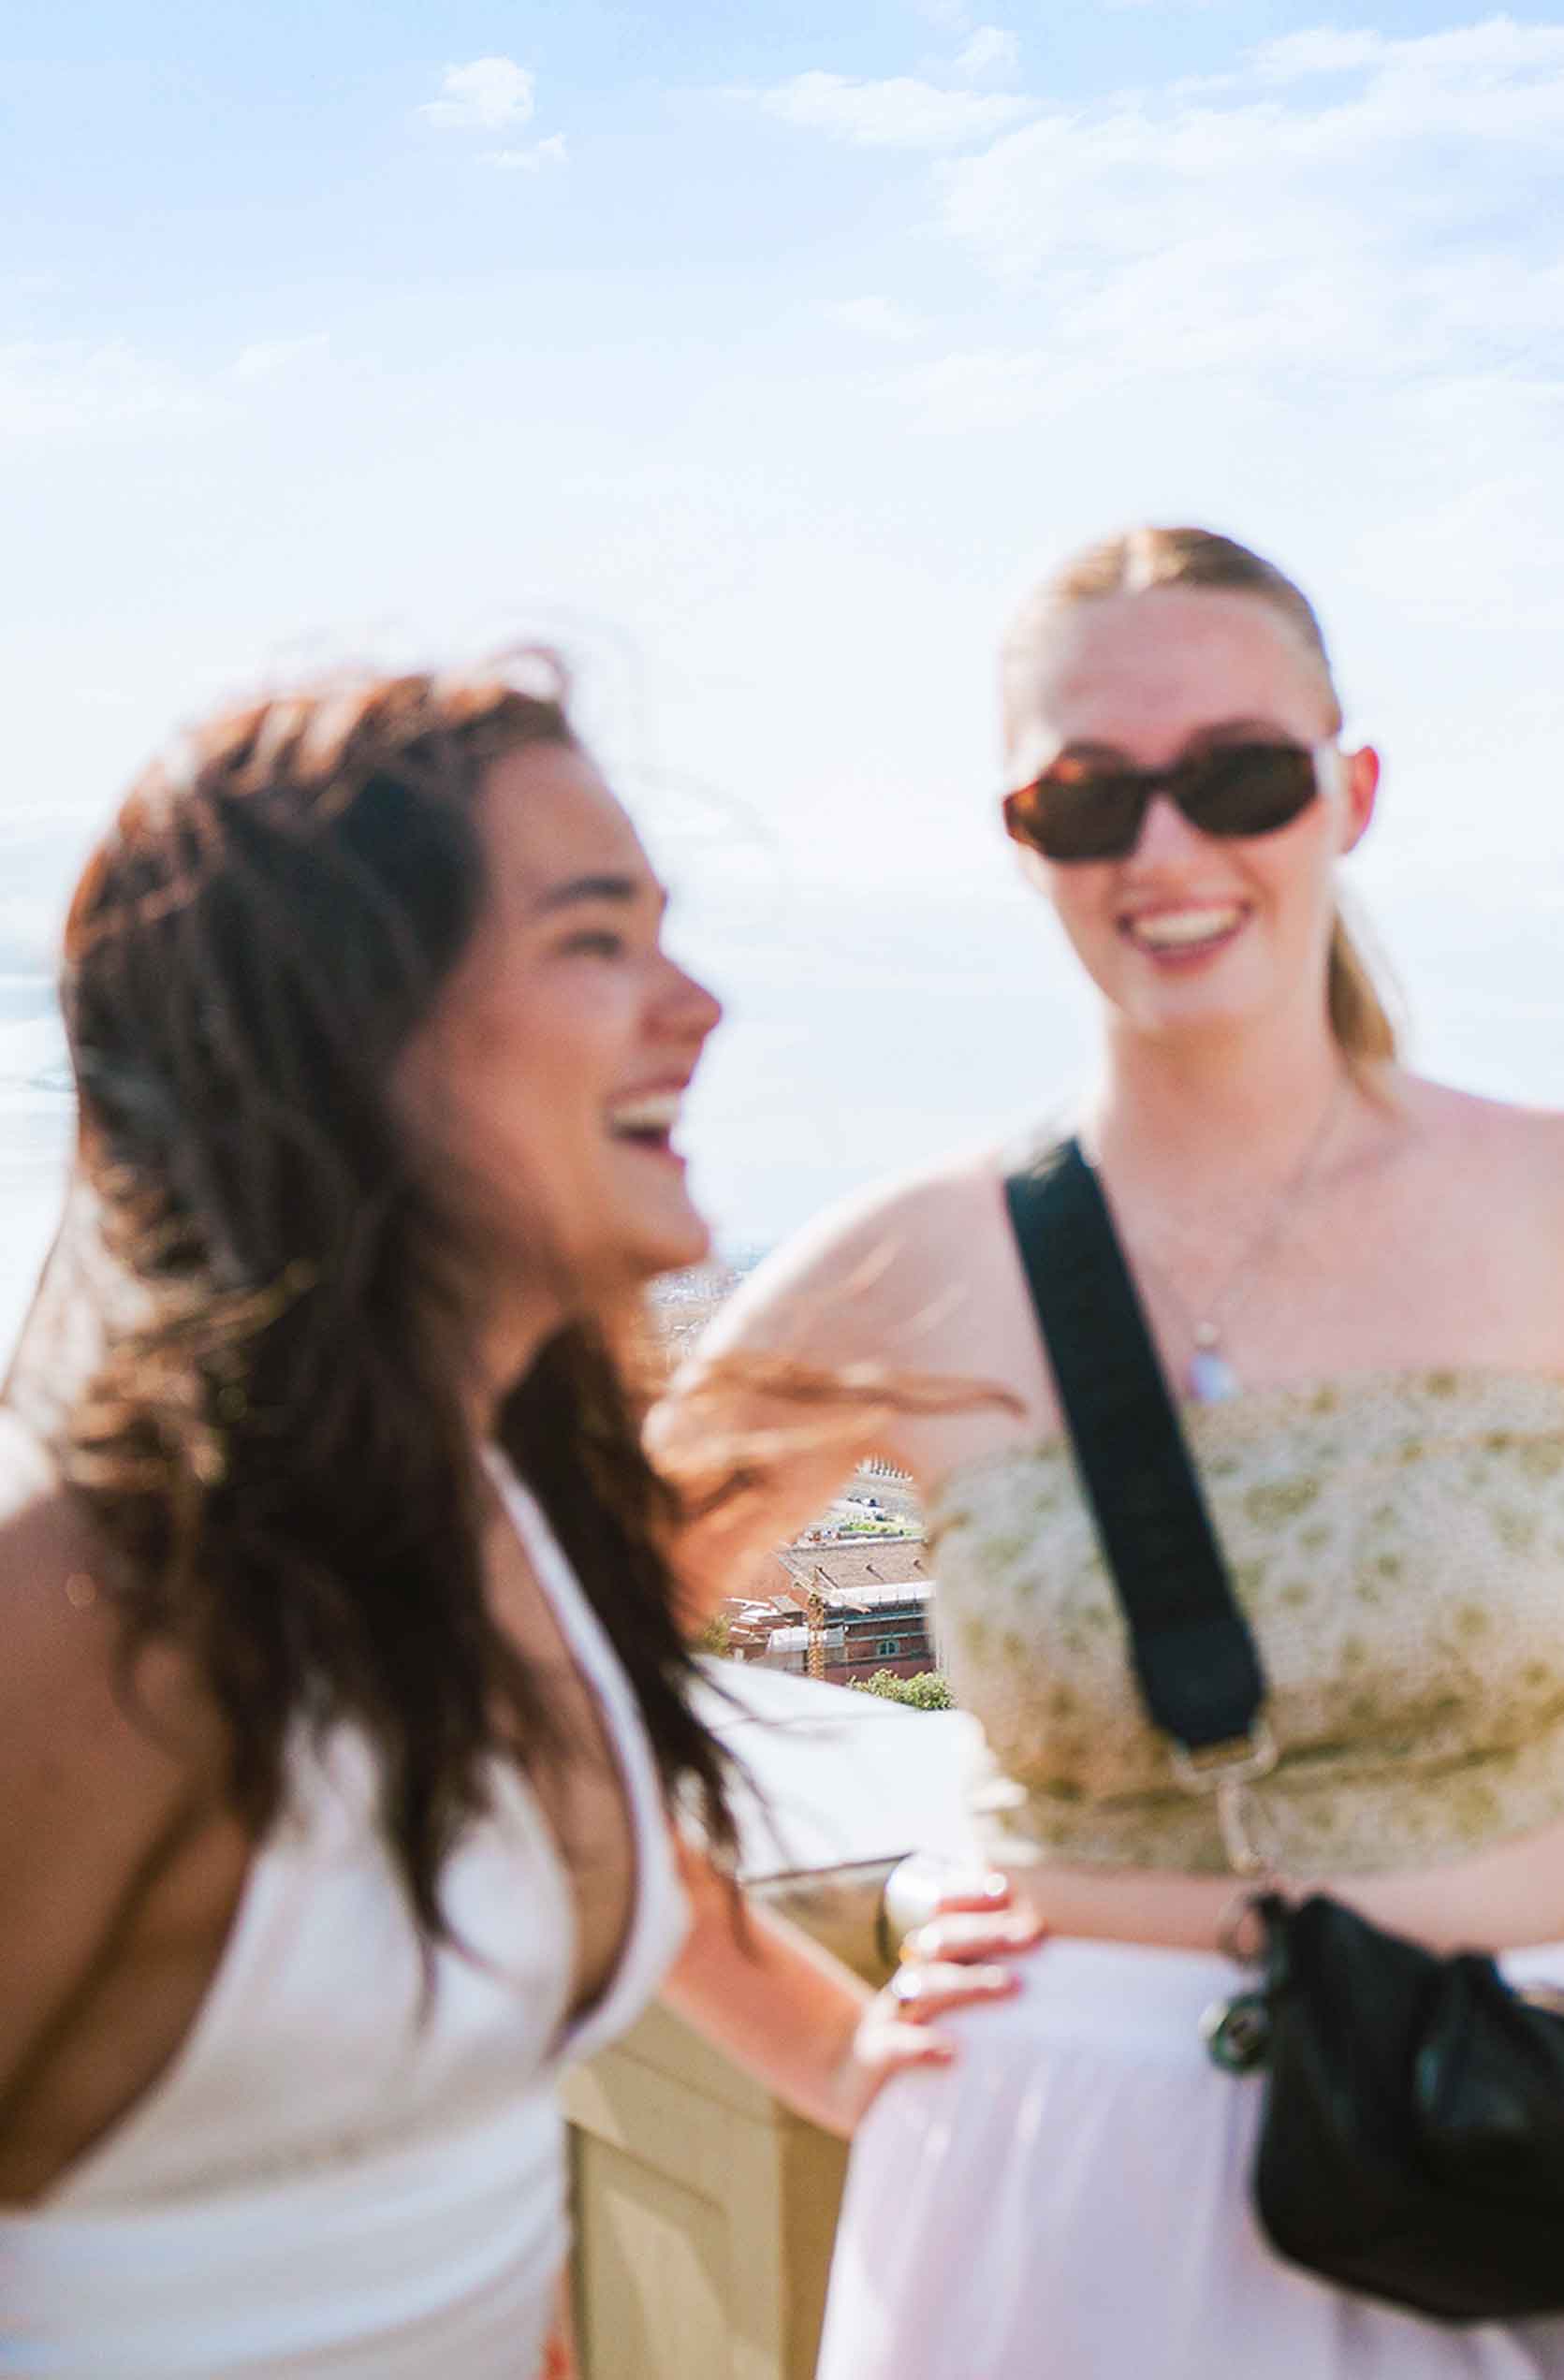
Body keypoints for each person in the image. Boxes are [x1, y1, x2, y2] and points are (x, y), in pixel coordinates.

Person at [661, 526, 1564, 2378]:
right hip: (1043, 2183)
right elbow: (527, 1685)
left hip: (1488, 2160)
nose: (1165, 850)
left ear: (1352, 792)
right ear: (1024, 841)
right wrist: (809, 2038)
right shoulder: (906, 1266)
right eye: (1089, 799)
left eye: (1237, 777)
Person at [0, 664, 1016, 2377]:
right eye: (594, 939)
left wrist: (858, 2066)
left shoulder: (510, 1514)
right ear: (349, 1024)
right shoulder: (112, 1605)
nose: (696, 1007)